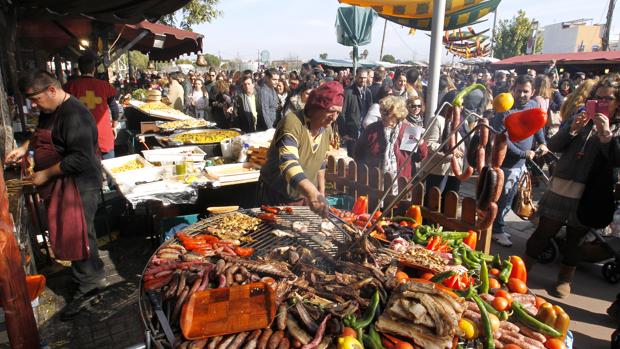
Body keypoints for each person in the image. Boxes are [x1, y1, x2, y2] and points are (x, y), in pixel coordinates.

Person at [7, 70, 105, 320]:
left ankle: (90, 287)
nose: (34, 105)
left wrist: (46, 174)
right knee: (75, 232)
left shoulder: (76, 116)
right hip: (62, 183)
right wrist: (24, 148)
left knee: (80, 232)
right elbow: (40, 132)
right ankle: (88, 272)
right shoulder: (50, 110)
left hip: (79, 184)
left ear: (52, 90)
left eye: (36, 99)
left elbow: (81, 158)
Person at [525, 74, 620, 298]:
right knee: (544, 230)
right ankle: (523, 268)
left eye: (607, 99)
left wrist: (606, 134)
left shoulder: (616, 128)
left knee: (575, 239)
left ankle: (565, 278)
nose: (600, 104)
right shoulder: (581, 115)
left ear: (618, 102)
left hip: (590, 191)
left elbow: (616, 160)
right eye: (597, 98)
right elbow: (554, 145)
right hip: (562, 185)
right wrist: (573, 129)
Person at [258, 81, 344, 216]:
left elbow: (320, 163)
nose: (334, 118)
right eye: (331, 111)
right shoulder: (292, 122)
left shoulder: (326, 129)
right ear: (317, 107)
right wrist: (312, 193)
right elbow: (288, 163)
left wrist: (321, 193)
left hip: (303, 196)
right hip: (277, 197)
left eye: (338, 113)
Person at [491, 75, 548, 247]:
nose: (522, 94)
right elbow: (501, 139)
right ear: (513, 89)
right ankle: (496, 230)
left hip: (522, 163)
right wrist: (523, 154)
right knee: (502, 198)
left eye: (526, 91)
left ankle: (498, 226)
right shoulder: (505, 110)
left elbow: (537, 126)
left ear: (533, 92)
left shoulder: (533, 105)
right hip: (507, 164)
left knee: (511, 198)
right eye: (519, 91)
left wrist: (543, 143)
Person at [354, 96, 427, 193]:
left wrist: (421, 144)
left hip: (401, 184)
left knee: (398, 207)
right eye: (383, 112)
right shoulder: (372, 130)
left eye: (389, 114)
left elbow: (419, 157)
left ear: (397, 115)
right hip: (374, 184)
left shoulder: (408, 131)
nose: (384, 116)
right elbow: (358, 153)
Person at [64, 53, 118, 159]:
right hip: (103, 136)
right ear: (94, 69)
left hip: (79, 138)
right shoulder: (105, 85)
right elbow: (114, 108)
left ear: (79, 69)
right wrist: (114, 126)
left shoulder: (69, 86)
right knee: (108, 170)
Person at [421, 90, 465, 210]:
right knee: (434, 201)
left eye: (462, 105)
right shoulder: (438, 120)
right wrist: (450, 155)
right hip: (438, 170)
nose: (461, 108)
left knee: (450, 202)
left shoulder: (459, 122)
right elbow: (429, 144)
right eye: (459, 105)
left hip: (454, 170)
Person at [339, 68, 373, 156]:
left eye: (365, 78)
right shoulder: (348, 92)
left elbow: (370, 111)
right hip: (351, 132)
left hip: (364, 131)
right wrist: (343, 133)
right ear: (356, 77)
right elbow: (342, 113)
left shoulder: (368, 92)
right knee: (352, 157)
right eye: (361, 77)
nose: (363, 80)